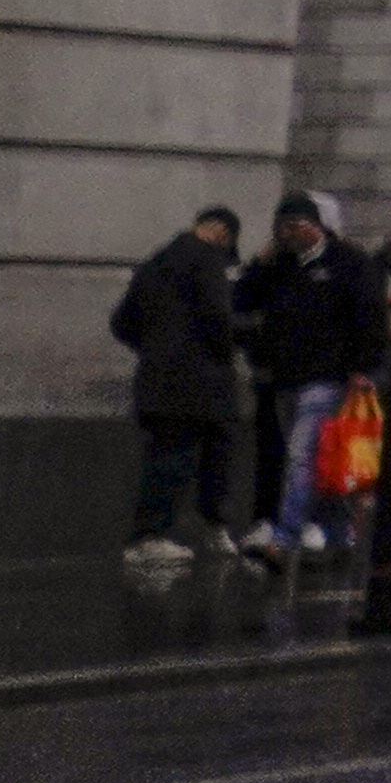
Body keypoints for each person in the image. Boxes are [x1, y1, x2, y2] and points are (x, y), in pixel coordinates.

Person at [235, 198, 378, 564]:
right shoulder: (279, 265)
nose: (287, 233)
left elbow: (368, 316)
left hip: (327, 377)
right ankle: (337, 533)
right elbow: (242, 301)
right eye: (282, 226)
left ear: (314, 225)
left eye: (294, 225)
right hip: (285, 378)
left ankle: (286, 537)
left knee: (301, 456)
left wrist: (362, 367)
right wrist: (257, 265)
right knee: (318, 457)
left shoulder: (347, 263)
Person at [110, 204, 250, 574]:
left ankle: (155, 535)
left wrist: (156, 349)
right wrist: (226, 349)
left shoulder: (155, 263)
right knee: (205, 456)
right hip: (201, 383)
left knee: (165, 455)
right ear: (223, 234)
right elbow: (218, 318)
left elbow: (121, 322)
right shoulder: (207, 260)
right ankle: (160, 537)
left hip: (157, 379)